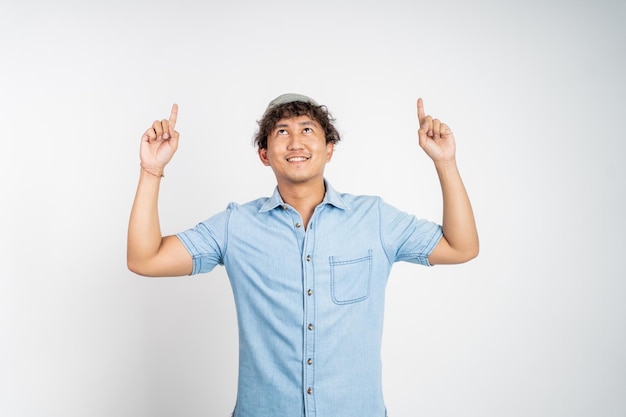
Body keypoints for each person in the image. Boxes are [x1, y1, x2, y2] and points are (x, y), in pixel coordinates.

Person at [127, 93, 479, 417]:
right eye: (281, 132)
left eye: (307, 129)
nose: (295, 142)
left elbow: (460, 247)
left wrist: (445, 162)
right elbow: (146, 259)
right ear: (264, 154)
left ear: (329, 149)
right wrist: (151, 170)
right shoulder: (236, 225)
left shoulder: (375, 219)